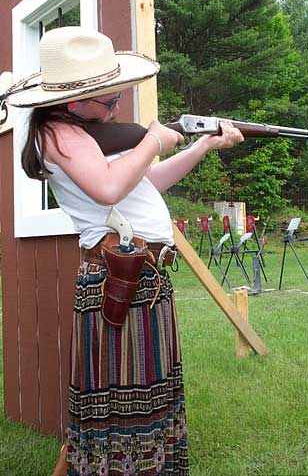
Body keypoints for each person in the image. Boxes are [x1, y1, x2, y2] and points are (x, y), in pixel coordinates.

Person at [5, 26, 244, 476]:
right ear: (74, 101)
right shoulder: (60, 136)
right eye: (109, 100)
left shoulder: (84, 132)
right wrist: (153, 139)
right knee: (116, 401)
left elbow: (145, 183)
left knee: (130, 397)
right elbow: (109, 186)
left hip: (144, 280)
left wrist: (202, 145)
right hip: (120, 279)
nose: (116, 107)